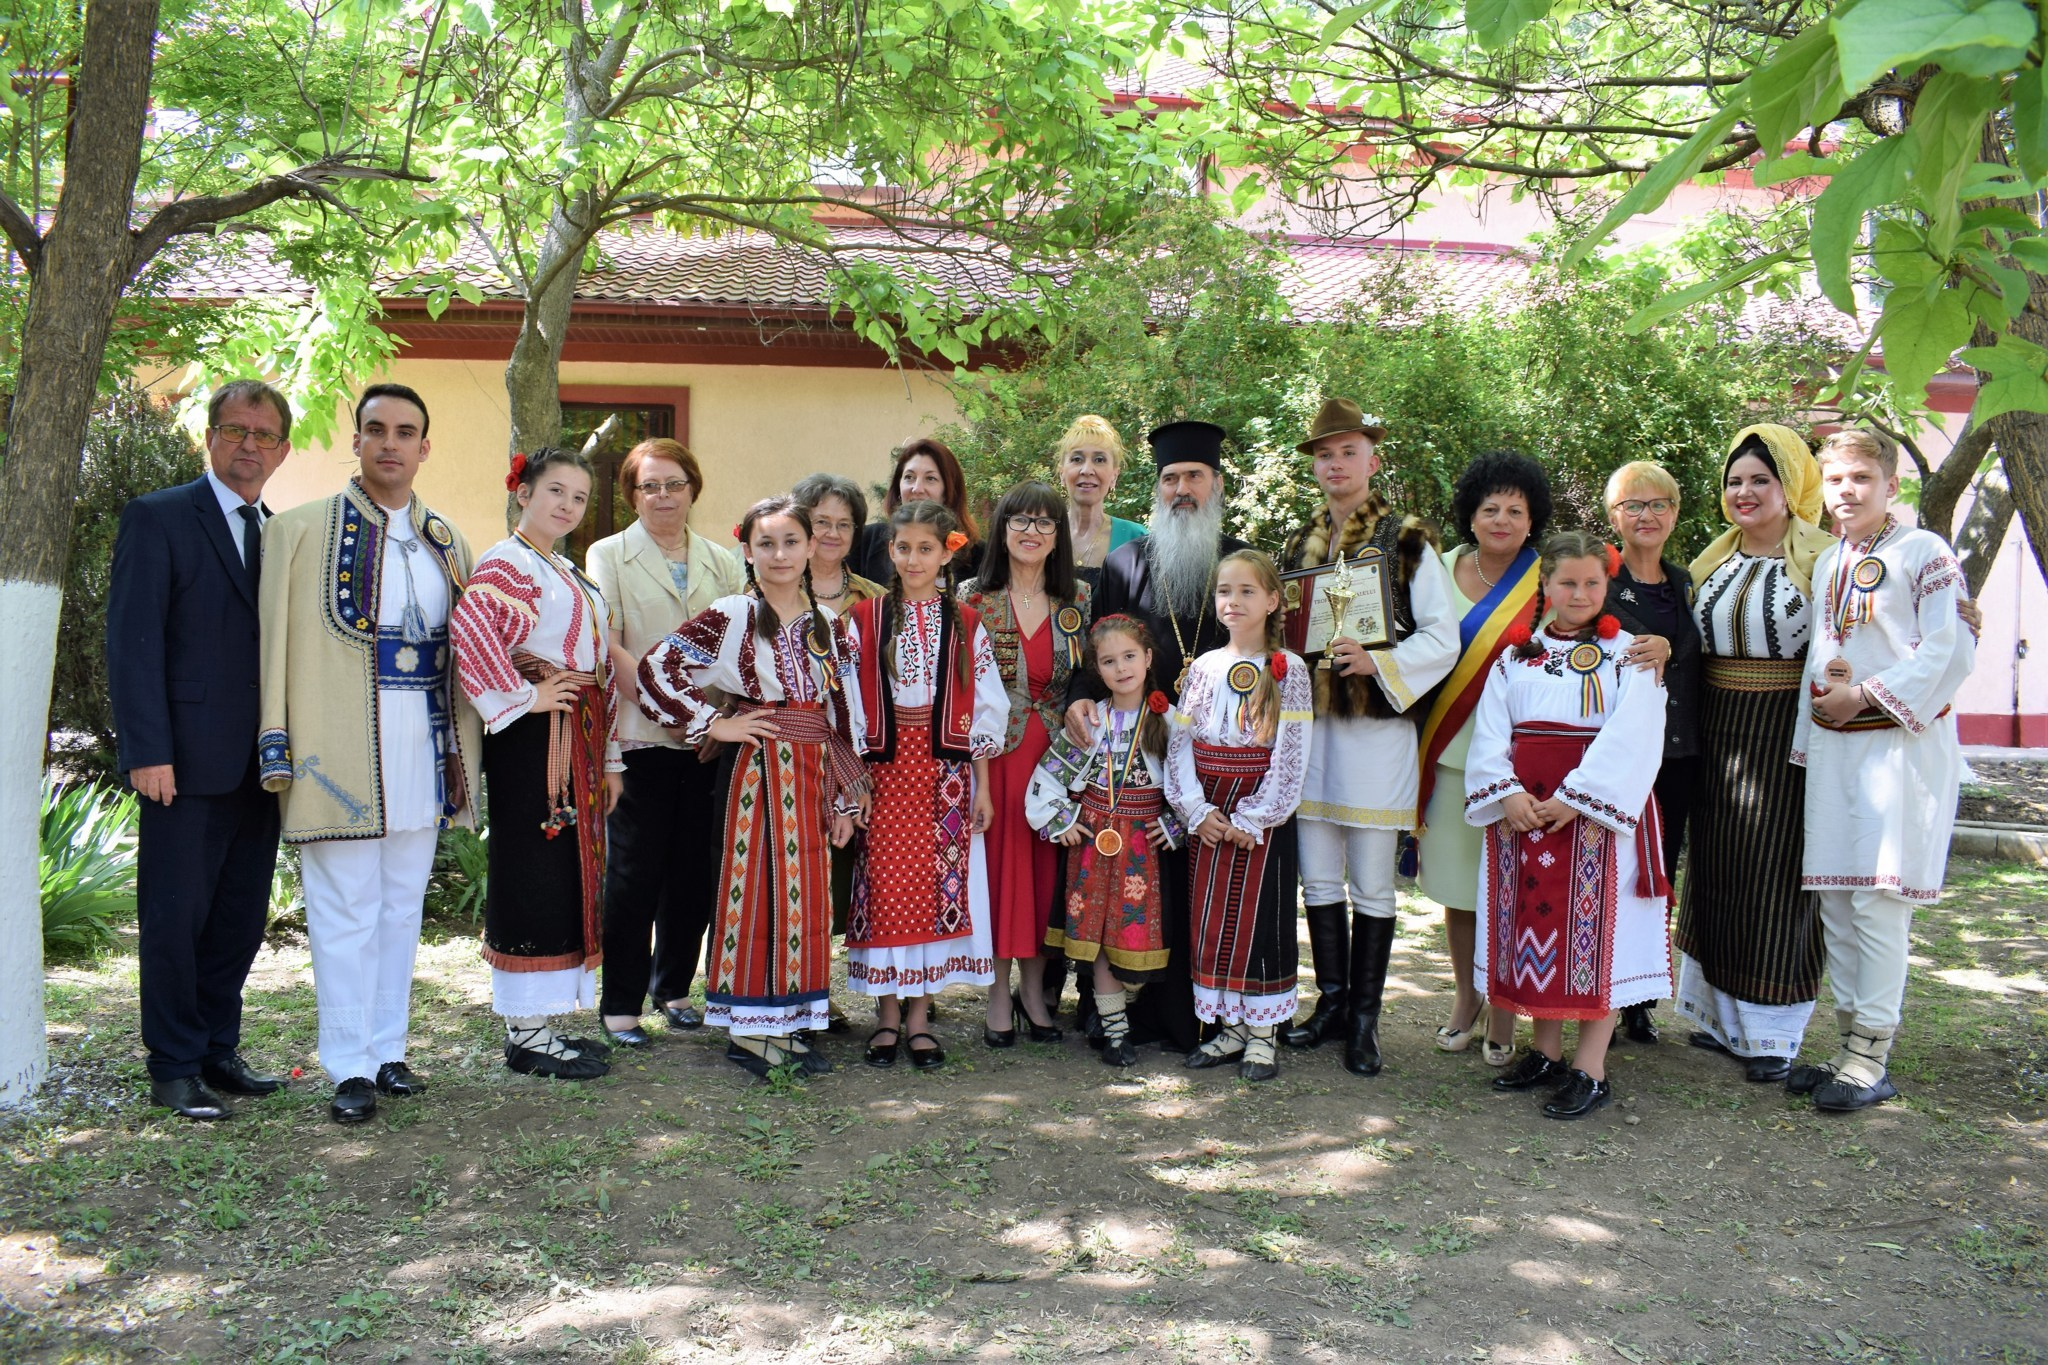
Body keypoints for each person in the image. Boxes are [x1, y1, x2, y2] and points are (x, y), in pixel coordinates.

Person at [258, 382, 483, 1123]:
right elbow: (272, 648)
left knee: (400, 904)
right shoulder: (297, 531)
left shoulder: (447, 540)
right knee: (343, 907)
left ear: (425, 447)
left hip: (425, 740)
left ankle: (389, 1050)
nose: (390, 443)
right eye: (376, 429)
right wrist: (276, 737)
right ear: (355, 440)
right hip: (338, 744)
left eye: (405, 431)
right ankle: (348, 1063)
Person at [108, 380, 294, 1121]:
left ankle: (218, 1047)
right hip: (181, 764)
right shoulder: (158, 518)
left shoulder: (278, 533)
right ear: (210, 436)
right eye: (235, 429)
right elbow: (132, 643)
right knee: (175, 920)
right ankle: (174, 1064)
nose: (249, 444)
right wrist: (147, 750)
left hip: (262, 766)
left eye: (264, 434)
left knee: (238, 919)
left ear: (282, 451)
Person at [636, 496, 868, 1078]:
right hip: (757, 770)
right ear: (747, 551)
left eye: (791, 542)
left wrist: (845, 798)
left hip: (813, 771)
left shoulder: (829, 627)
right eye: (766, 543)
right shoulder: (732, 615)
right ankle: (748, 1029)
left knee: (806, 898)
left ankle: (784, 1021)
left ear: (810, 547)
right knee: (756, 889)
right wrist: (714, 724)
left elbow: (842, 715)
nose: (780, 554)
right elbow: (656, 669)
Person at [1789, 429, 1975, 1112]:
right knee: (1837, 901)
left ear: (1891, 485)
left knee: (1877, 901)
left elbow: (1950, 650)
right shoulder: (1833, 560)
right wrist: (1814, 727)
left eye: (1861, 477)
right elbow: (1824, 653)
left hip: (1898, 747)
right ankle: (1848, 1049)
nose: (1847, 490)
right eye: (1836, 479)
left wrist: (1863, 695)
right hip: (1838, 750)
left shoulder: (1924, 552)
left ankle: (1873, 1055)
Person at [1277, 399, 1458, 1077]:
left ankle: (1364, 1022)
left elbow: (1443, 636)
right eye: (1325, 455)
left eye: (1348, 452)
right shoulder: (1298, 543)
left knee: (1374, 884)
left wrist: (1379, 661)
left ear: (1372, 460)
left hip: (1377, 730)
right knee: (1319, 875)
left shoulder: (1408, 539)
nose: (1335, 464)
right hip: (1312, 730)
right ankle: (1330, 1004)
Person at [1466, 532, 1670, 1120]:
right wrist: (1505, 792)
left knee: (1597, 942)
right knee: (1536, 932)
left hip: (1597, 817)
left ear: (1607, 585)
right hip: (1524, 813)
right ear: (1546, 585)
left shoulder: (1631, 653)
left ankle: (1591, 1069)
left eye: (1591, 583)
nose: (1579, 593)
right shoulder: (1515, 655)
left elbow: (1635, 733)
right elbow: (1490, 730)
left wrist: (1577, 798)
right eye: (1567, 582)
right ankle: (1547, 1054)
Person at [1066, 419, 1248, 1054]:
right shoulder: (1125, 563)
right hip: (1136, 751)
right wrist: (1080, 697)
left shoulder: (1240, 563)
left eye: (1194, 476)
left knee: (1195, 885)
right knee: (1117, 872)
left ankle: (1193, 1011)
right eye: (1170, 478)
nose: (1181, 489)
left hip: (1222, 752)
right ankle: (1104, 1006)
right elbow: (1094, 652)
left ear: (1216, 484)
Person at [452, 447, 625, 1079]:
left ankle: (542, 1022)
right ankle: (525, 1032)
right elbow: (470, 632)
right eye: (555, 491)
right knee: (533, 865)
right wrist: (526, 697)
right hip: (533, 739)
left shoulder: (564, 570)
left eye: (579, 497)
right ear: (522, 492)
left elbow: (599, 667)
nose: (568, 506)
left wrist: (610, 757)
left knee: (565, 870)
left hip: (575, 730)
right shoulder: (509, 561)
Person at [1673, 425, 1835, 1084]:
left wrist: (1952, 612)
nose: (1744, 492)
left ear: (1790, 486)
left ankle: (1772, 1032)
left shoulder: (1828, 558)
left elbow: (1880, 619)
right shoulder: (1709, 562)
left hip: (1786, 733)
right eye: (1735, 481)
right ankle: (1721, 1021)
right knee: (1718, 869)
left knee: (1776, 877)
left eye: (1760, 480)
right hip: (1716, 731)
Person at [586, 439, 743, 1042]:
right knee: (633, 874)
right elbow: (611, 645)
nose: (663, 496)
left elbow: (739, 648)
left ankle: (674, 989)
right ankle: (621, 1005)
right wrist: (677, 713)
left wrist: (714, 719)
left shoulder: (722, 561)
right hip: (641, 738)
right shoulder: (608, 554)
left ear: (693, 488)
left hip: (710, 741)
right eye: (649, 485)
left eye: (674, 483)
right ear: (632, 495)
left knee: (692, 875)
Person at [846, 500, 1007, 1070]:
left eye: (925, 548)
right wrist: (853, 783)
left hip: (947, 777)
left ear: (947, 553)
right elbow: (847, 702)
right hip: (883, 773)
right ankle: (887, 1016)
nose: (913, 559)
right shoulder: (864, 619)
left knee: (937, 891)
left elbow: (986, 708)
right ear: (890, 550)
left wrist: (983, 788)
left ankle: (919, 1018)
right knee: (886, 891)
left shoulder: (966, 623)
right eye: (903, 548)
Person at [1413, 452, 1548, 1067]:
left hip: (1520, 766)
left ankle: (1505, 1007)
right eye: (1490, 508)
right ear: (1470, 515)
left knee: (1512, 890)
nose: (1501, 520)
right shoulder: (1436, 569)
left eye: (1515, 510)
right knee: (1459, 891)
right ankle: (1466, 998)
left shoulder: (1548, 578)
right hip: (1447, 755)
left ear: (1532, 520)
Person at [1165, 549, 1312, 1082]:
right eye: (1225, 591)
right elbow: (1180, 742)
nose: (1234, 601)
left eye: (1247, 591)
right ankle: (1228, 1028)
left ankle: (1262, 1034)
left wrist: (1257, 817)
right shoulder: (1203, 666)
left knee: (1261, 919)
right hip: (1209, 806)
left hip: (1260, 810)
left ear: (1272, 600)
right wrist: (1194, 808)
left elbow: (1292, 749)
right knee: (1212, 918)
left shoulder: (1289, 669)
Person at [958, 480, 1091, 1046]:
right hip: (996, 756)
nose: (1031, 531)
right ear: (1002, 530)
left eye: (1044, 522)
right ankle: (996, 993)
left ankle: (1034, 992)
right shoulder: (972, 596)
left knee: (1045, 877)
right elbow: (962, 687)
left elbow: (1087, 675)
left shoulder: (1078, 598)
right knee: (997, 874)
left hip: (1057, 758)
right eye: (1020, 520)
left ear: (1058, 535)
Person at [1026, 615, 1183, 1066]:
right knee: (1096, 944)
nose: (1121, 668)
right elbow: (1046, 779)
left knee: (1133, 940)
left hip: (1143, 852)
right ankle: (1116, 1034)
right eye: (1109, 661)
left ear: (1148, 658)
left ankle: (1124, 1008)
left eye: (1129, 656)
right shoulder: (1090, 720)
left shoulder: (1171, 720)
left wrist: (1175, 825)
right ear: (1097, 668)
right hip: (1094, 847)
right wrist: (1062, 820)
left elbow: (1192, 787)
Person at [1599, 459, 1703, 1046]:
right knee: (1616, 873)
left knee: (1659, 875)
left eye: (1658, 504)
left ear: (1674, 513)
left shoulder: (1687, 581)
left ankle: (1640, 1001)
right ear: (1614, 517)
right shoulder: (1597, 582)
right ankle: (1603, 993)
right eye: (1632, 505)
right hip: (1619, 753)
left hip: (1680, 754)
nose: (1647, 515)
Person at [791, 472, 887, 1009]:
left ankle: (841, 992)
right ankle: (794, 994)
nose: (831, 533)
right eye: (820, 521)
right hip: (789, 754)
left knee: (851, 874)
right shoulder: (772, 586)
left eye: (843, 524)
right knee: (797, 875)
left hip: (859, 757)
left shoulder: (876, 600)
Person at [848, 438, 983, 585]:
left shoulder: (978, 555)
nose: (917, 488)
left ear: (948, 490)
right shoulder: (865, 541)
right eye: (909, 477)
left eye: (930, 478)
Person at [1055, 414, 1147, 589]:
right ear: (1062, 473)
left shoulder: (1137, 538)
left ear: (1114, 476)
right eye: (1077, 459)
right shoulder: (1041, 534)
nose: (1087, 470)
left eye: (1099, 460)